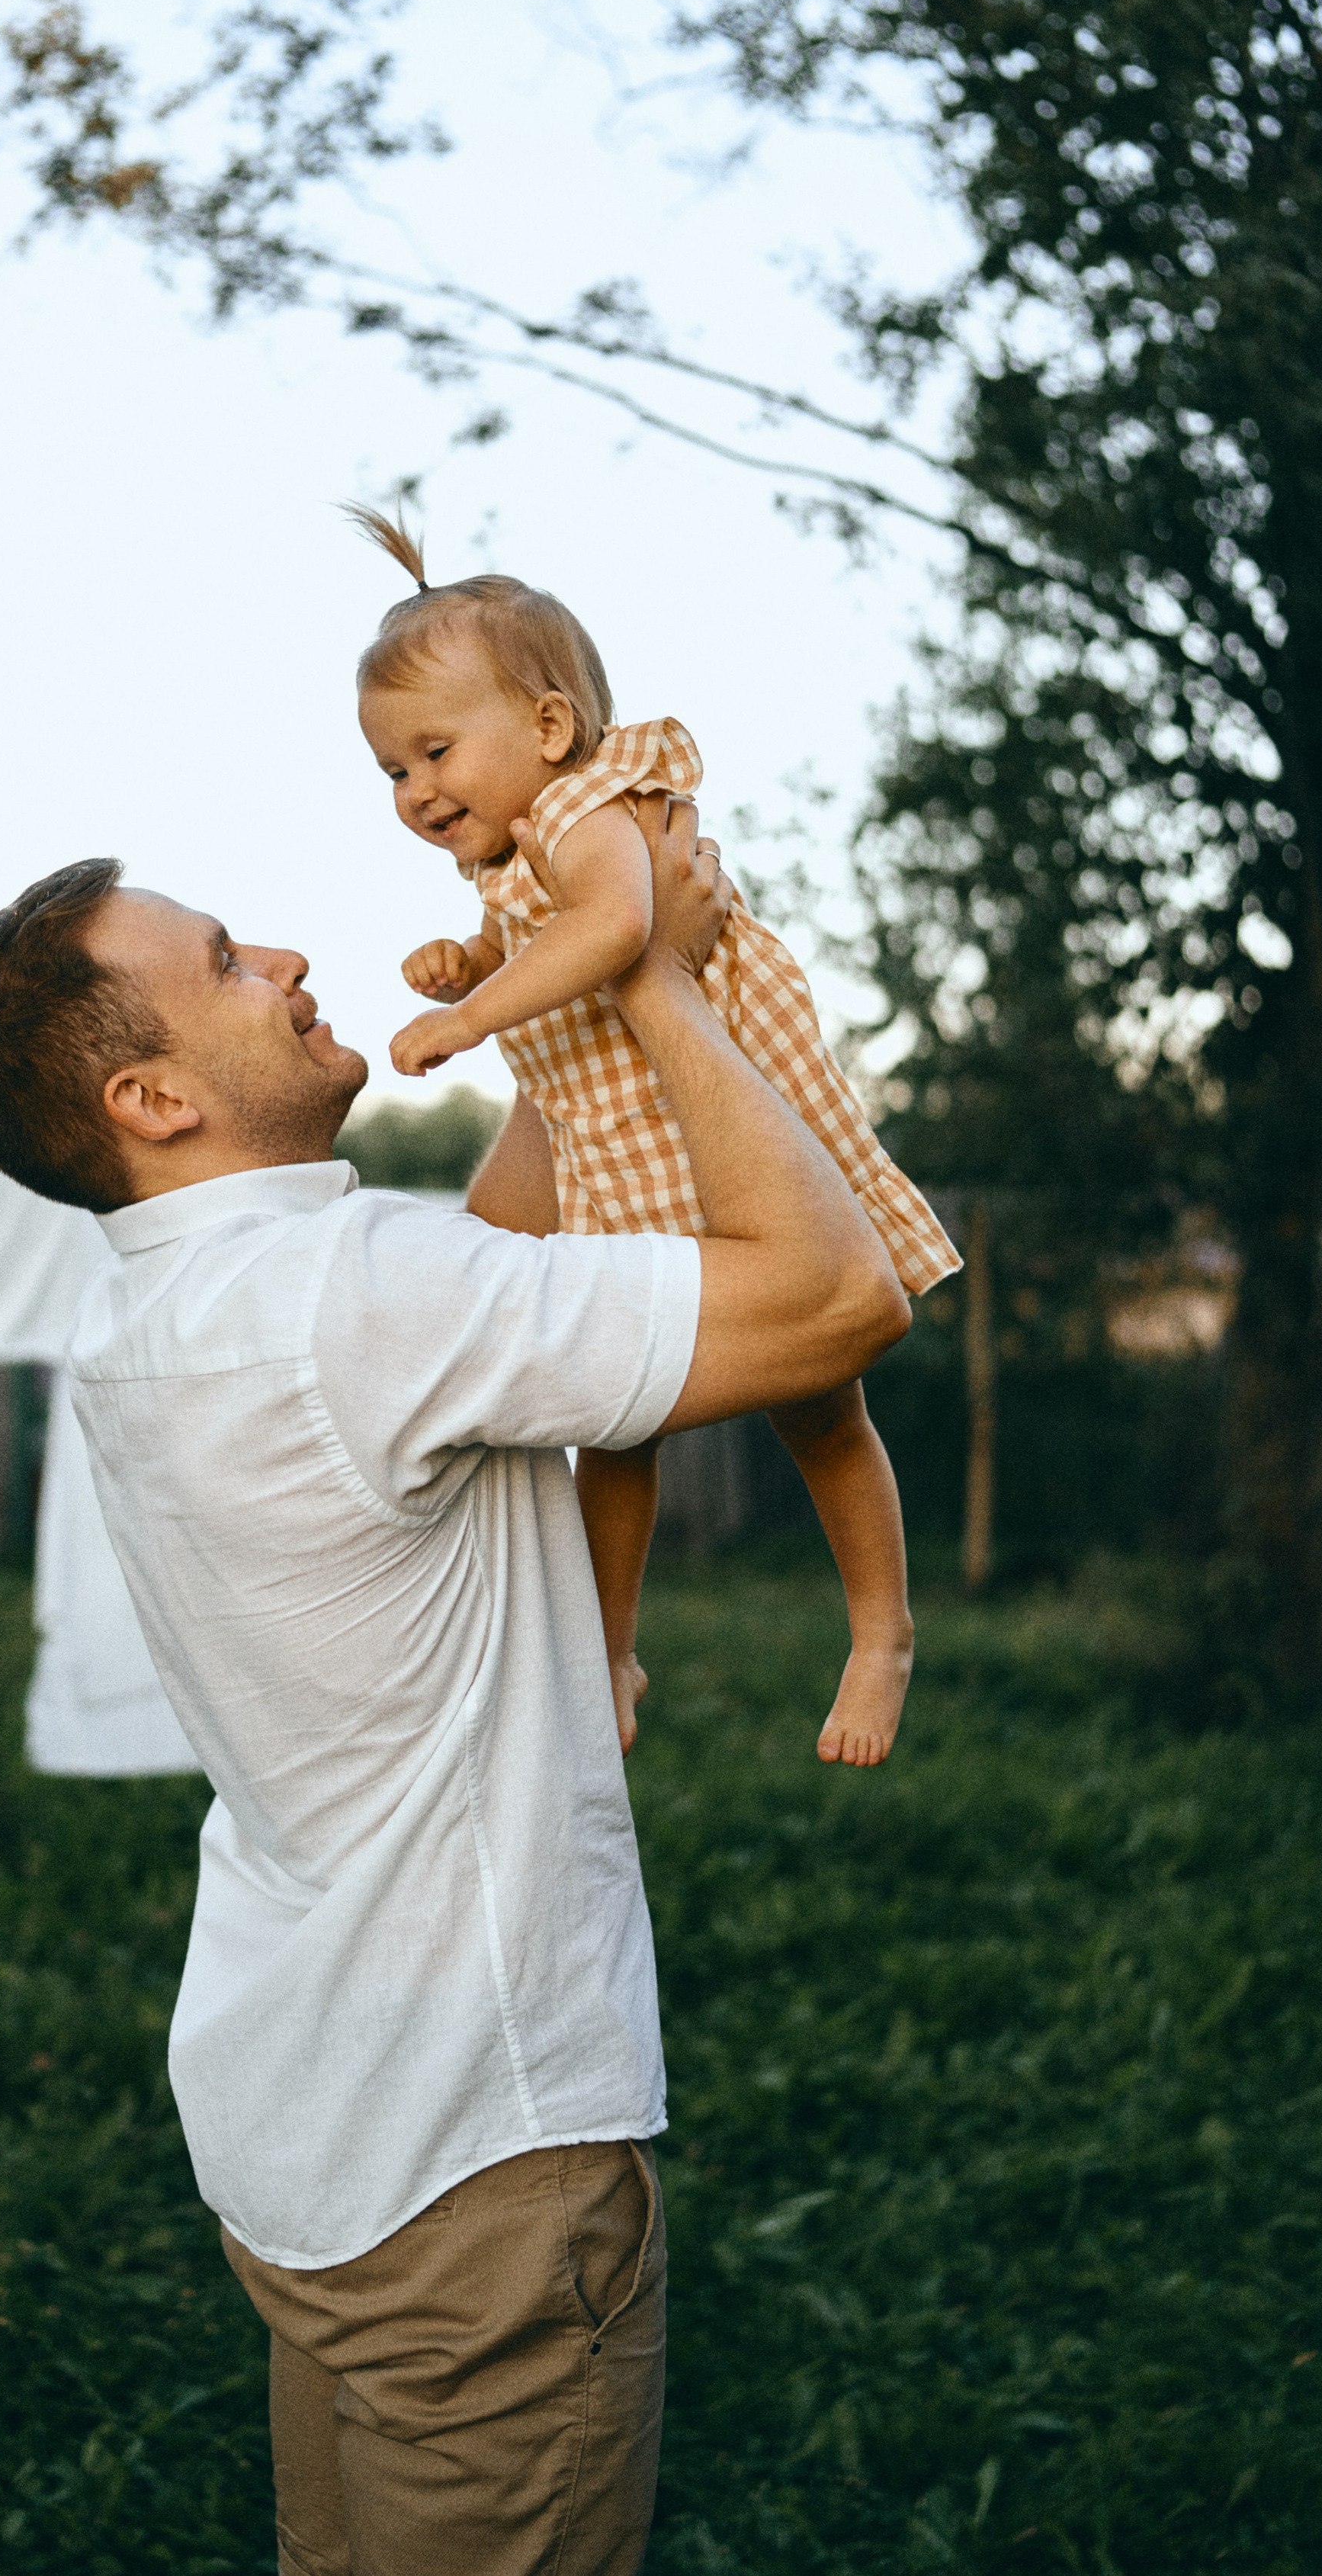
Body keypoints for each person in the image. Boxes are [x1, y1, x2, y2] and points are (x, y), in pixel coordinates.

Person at [0, 811, 909, 2576]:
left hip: (309, 2128)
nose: (287, 959)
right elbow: (834, 1299)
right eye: (225, 960)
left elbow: (475, 1299)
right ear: (152, 1099)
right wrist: (657, 977)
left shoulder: (156, 1320)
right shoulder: (357, 1297)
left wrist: (559, 1035)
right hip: (478, 2164)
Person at [348, 506, 958, 1768]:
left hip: (728, 1134)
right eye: (393, 771)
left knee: (822, 1410)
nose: (415, 793)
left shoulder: (591, 808)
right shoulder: (517, 848)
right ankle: (609, 1644)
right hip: (623, 1147)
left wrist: (468, 1016)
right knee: (613, 1423)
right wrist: (470, 954)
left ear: (549, 728)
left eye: (434, 752)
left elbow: (616, 931)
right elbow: (538, 935)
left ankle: (881, 1629)